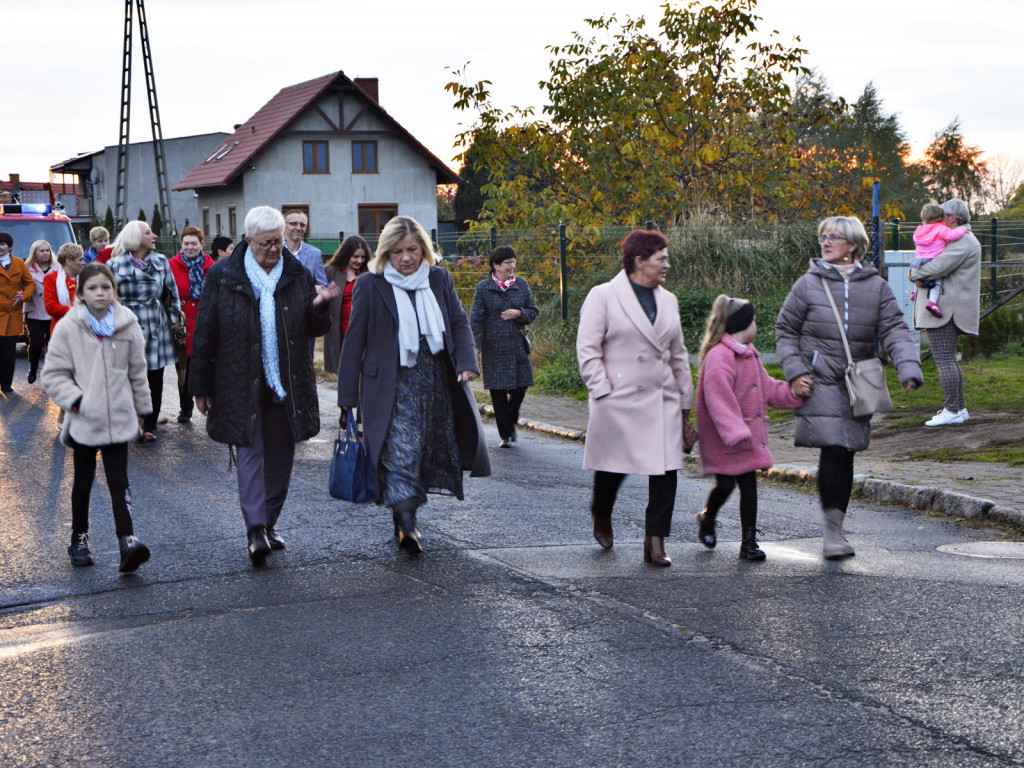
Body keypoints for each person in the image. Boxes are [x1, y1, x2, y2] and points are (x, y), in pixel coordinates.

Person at [190, 206, 340, 566]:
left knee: (281, 456)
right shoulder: (224, 275)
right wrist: (201, 385)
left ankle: (269, 522)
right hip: (238, 380)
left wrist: (318, 306)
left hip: (286, 382)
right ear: (248, 240)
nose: (275, 249)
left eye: (279, 242)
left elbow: (312, 328)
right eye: (267, 243)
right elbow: (206, 330)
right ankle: (255, 528)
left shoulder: (295, 272)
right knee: (250, 452)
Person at [337, 216, 489, 555]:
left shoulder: (438, 279)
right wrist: (346, 398)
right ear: (385, 254)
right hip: (389, 388)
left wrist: (466, 363)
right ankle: (406, 520)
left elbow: (458, 323)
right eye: (397, 252)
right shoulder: (370, 285)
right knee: (400, 451)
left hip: (435, 383)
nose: (406, 258)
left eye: (412, 250)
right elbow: (354, 342)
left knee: (423, 453)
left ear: (423, 248)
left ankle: (404, 511)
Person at [776, 216, 922, 559]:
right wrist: (796, 371)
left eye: (834, 237)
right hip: (819, 379)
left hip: (858, 381)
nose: (825, 242)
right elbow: (785, 331)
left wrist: (908, 368)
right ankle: (832, 533)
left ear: (853, 245)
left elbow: (895, 331)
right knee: (833, 448)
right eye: (823, 236)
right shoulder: (807, 284)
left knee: (846, 452)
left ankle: (836, 527)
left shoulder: (877, 287)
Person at [576, 230, 696, 567]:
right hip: (619, 401)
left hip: (662, 400)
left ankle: (654, 540)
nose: (666, 265)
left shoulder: (668, 300)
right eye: (661, 258)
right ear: (639, 261)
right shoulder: (603, 296)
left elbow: (678, 354)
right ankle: (601, 512)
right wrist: (602, 391)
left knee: (666, 470)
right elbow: (588, 349)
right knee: (612, 470)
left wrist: (685, 402)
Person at [41, 262, 153, 572]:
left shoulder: (128, 323)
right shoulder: (69, 326)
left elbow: (137, 371)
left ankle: (127, 541)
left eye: (105, 287)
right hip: (84, 421)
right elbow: (53, 374)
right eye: (92, 288)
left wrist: (142, 411)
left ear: (113, 290)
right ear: (81, 293)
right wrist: (77, 402)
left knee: (120, 482)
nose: (99, 293)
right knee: (83, 481)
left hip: (119, 419)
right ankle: (79, 538)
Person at [695, 296, 805, 560]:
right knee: (725, 486)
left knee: (748, 485)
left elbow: (766, 386)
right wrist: (734, 431)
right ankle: (708, 517)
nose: (756, 325)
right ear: (742, 325)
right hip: (727, 440)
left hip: (746, 439)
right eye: (754, 321)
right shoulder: (720, 358)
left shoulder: (750, 355)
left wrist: (794, 393)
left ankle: (749, 542)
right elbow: (718, 399)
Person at [910, 198, 981, 427]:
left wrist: (914, 274)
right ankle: (958, 409)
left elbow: (938, 266)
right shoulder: (958, 239)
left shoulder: (963, 241)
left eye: (943, 215)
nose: (938, 220)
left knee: (944, 360)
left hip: (946, 309)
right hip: (947, 308)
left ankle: (952, 409)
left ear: (952, 218)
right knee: (948, 360)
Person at [108, 220, 180, 443]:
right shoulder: (114, 265)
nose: (154, 236)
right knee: (127, 377)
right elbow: (108, 300)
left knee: (155, 377)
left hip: (155, 325)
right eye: (149, 233)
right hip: (126, 327)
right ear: (136, 238)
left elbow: (171, 294)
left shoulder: (161, 261)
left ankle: (148, 425)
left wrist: (177, 324)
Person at [470, 245, 539, 448]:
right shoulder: (483, 288)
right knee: (498, 392)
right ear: (496, 265)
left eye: (513, 262)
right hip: (493, 347)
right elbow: (476, 319)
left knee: (520, 388)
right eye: (508, 262)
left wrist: (519, 313)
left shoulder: (521, 285)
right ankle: (505, 434)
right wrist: (476, 345)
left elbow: (533, 311)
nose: (512, 266)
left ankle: (511, 417)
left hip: (517, 345)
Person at [168, 226, 214, 423]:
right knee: (184, 371)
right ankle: (185, 409)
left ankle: (211, 406)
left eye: (194, 243)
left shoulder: (211, 267)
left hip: (206, 325)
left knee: (207, 368)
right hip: (183, 326)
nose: (190, 247)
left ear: (202, 244)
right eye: (186, 243)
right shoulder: (171, 265)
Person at [909, 202, 967, 318]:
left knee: (916, 273)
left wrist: (912, 275)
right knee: (937, 281)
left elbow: (915, 239)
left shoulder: (919, 230)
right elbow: (952, 236)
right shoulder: (941, 229)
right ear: (941, 217)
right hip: (934, 257)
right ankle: (932, 302)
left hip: (919, 259)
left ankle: (914, 293)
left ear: (925, 219)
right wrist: (962, 230)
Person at [323, 234, 370, 376]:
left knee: (363, 371)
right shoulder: (330, 271)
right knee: (344, 372)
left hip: (363, 331)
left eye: (362, 257)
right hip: (339, 331)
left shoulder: (368, 273)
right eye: (355, 257)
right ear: (346, 254)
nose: (359, 261)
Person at [0, 231, 34, 395]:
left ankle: (6, 383)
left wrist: (23, 297)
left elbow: (30, 284)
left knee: (8, 352)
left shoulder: (19, 263)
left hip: (12, 314)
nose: (0, 247)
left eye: (2, 244)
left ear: (10, 247)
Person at [23, 240, 56, 384]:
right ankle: (33, 367)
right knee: (36, 342)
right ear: (35, 254)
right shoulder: (27, 268)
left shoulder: (58, 267)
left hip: (53, 313)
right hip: (35, 312)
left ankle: (51, 373)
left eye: (47, 250)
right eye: (41, 251)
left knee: (52, 344)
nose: (45, 253)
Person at [282, 210, 327, 287]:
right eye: (294, 224)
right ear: (283, 225)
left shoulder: (314, 254)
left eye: (302, 225)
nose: (299, 228)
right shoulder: (274, 251)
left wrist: (319, 291)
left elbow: (323, 285)